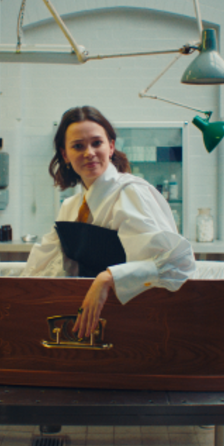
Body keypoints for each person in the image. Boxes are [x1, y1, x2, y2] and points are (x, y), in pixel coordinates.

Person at [21, 106, 196, 340]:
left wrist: (109, 277)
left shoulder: (131, 193)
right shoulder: (70, 207)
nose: (89, 153)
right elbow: (41, 268)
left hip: (137, 321)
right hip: (89, 325)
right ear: (65, 155)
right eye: (78, 146)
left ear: (111, 146)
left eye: (97, 143)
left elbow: (178, 262)